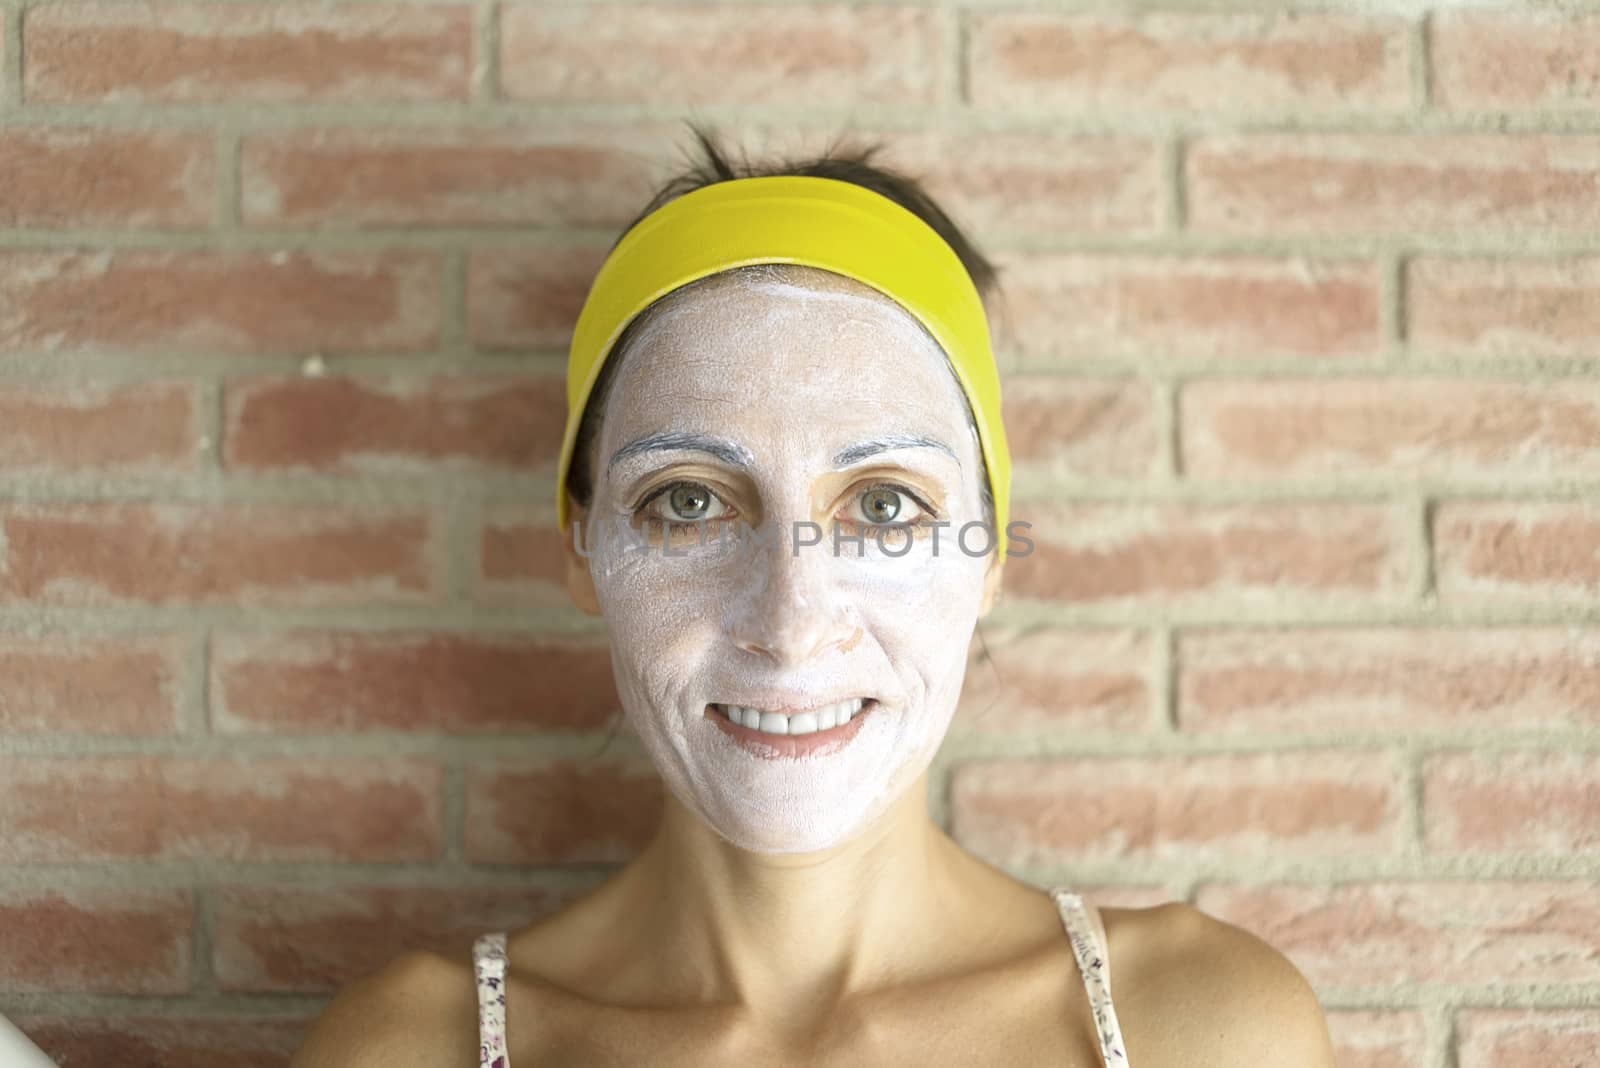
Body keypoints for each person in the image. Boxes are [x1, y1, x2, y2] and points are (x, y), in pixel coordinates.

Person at [291, 126, 1337, 1067]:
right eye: (689, 500)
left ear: (987, 558)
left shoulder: (1204, 1029)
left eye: (883, 507)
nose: (790, 625)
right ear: (580, 546)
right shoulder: (406, 1051)